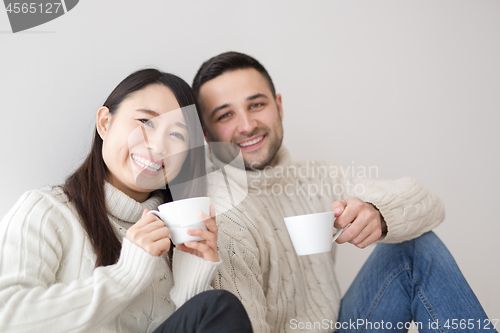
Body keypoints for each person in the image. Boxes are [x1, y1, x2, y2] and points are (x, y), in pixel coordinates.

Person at [191, 52, 497, 332]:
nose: (247, 125)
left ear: (278, 105)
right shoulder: (216, 214)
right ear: (207, 133)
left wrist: (379, 215)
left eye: (256, 104)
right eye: (225, 115)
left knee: (414, 246)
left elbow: (430, 204)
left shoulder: (319, 175)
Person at [0, 68, 253, 333]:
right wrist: (126, 276)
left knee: (216, 305)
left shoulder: (175, 232)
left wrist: (192, 279)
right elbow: (7, 316)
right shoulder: (46, 211)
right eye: (146, 121)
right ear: (104, 123)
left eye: (177, 135)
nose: (158, 146)